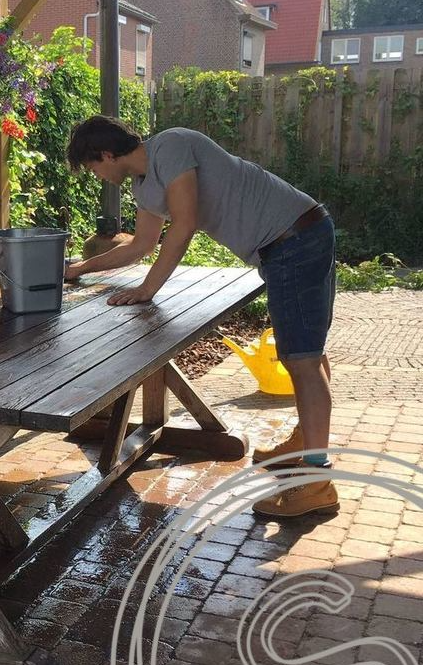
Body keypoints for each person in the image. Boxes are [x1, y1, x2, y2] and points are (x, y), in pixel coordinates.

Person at [64, 116, 337, 519]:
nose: (98, 176)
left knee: (303, 361)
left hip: (295, 238)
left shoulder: (171, 146)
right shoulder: (145, 186)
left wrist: (147, 290)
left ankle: (317, 482)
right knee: (305, 354)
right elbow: (141, 245)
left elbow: (185, 223)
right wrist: (79, 269)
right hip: (283, 245)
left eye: (93, 168)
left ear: (105, 154)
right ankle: (306, 442)